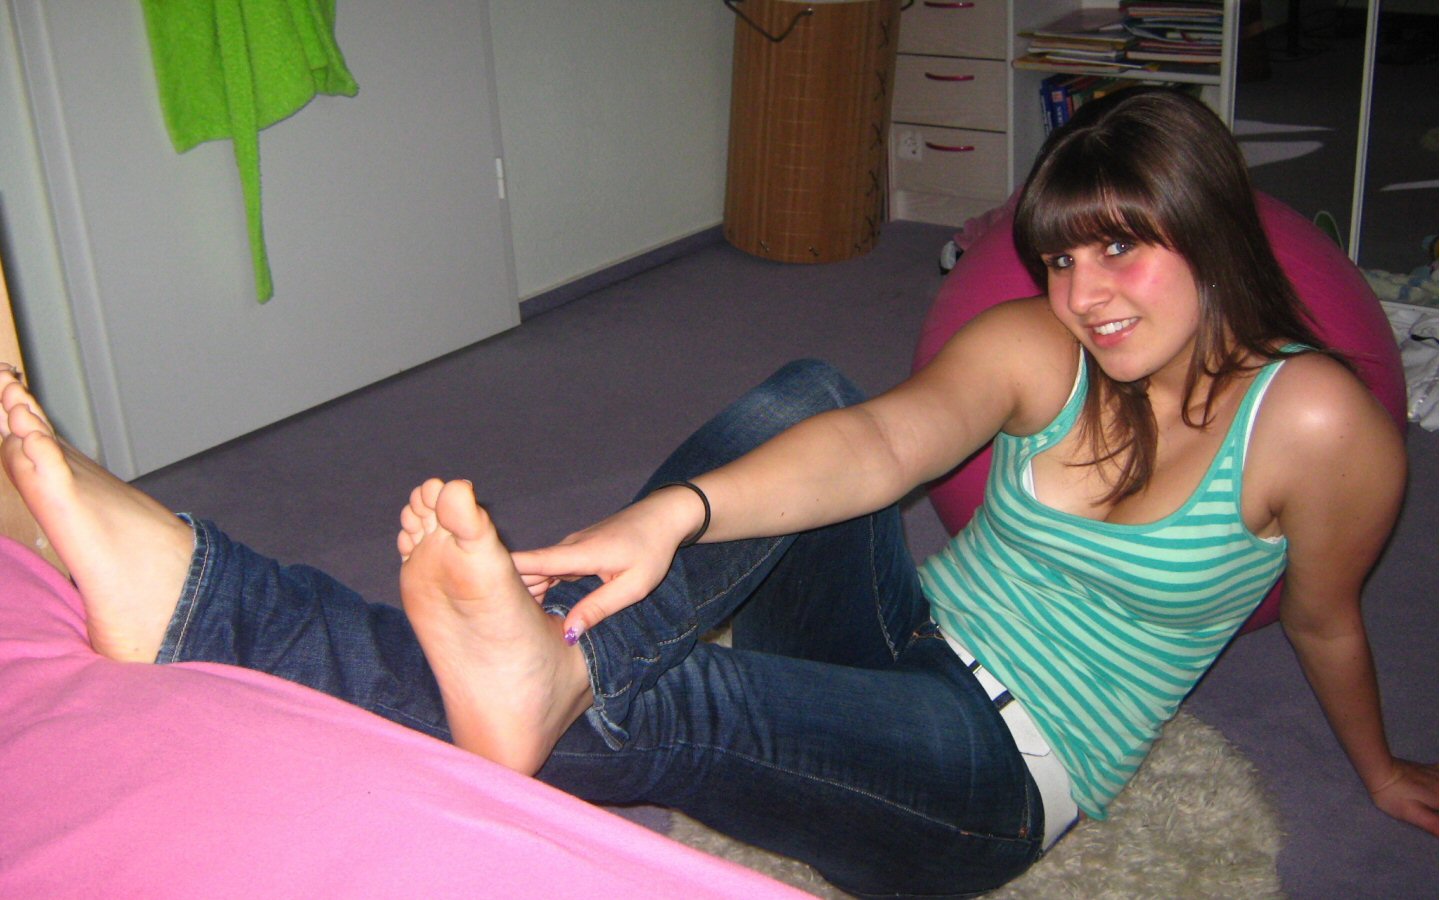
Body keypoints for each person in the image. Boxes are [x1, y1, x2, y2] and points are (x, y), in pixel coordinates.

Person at [2, 88, 1434, 897]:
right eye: (1064, 254)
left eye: (1124, 248)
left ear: (1209, 229)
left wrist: (1375, 771)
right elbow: (876, 448)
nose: (1088, 292)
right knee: (803, 395)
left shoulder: (1316, 422)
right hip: (898, 642)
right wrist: (669, 515)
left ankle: (216, 603)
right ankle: (558, 663)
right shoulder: (1036, 343)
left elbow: (1324, 617)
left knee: (673, 709)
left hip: (999, 777)